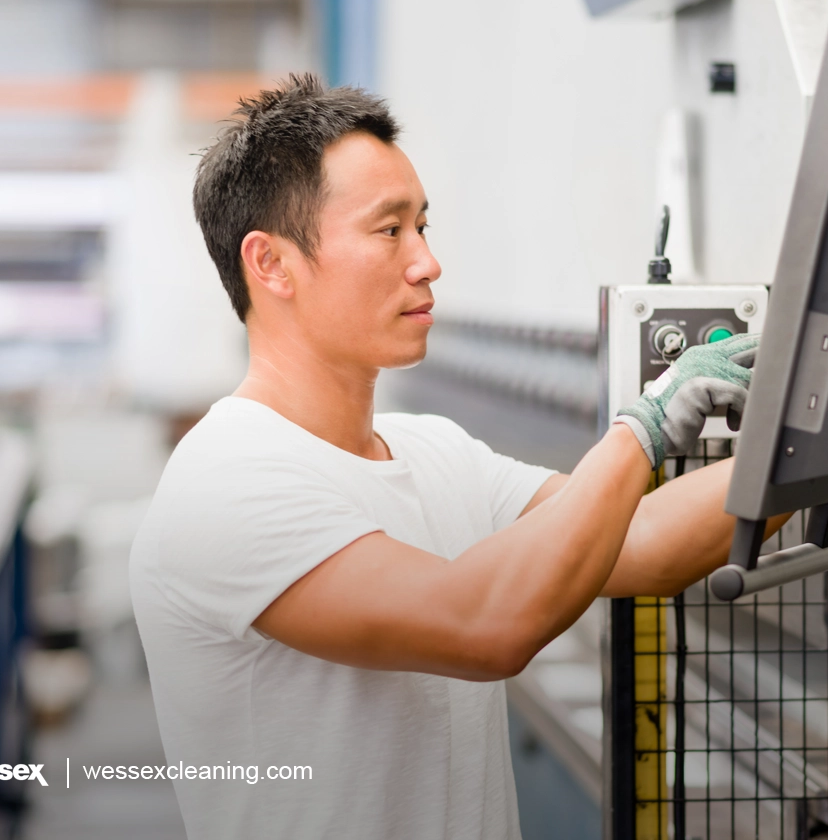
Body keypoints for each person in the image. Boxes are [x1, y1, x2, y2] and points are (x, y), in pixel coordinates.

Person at [129, 74, 785, 839]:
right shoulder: (227, 483)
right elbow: (484, 626)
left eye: (423, 227)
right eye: (389, 231)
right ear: (271, 264)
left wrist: (814, 427)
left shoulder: (432, 451)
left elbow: (639, 541)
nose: (427, 263)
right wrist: (638, 431)